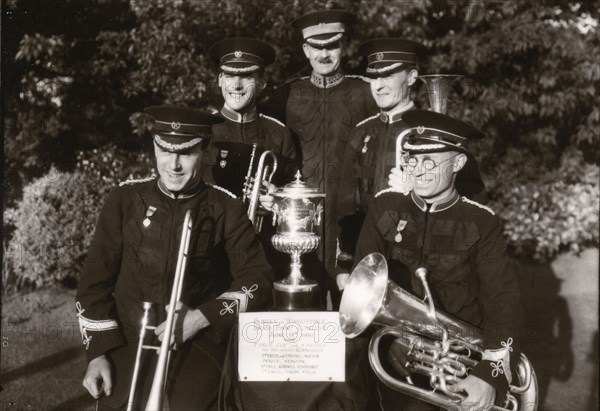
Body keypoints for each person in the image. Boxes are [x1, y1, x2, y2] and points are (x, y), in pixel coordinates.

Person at [76, 106, 273, 410]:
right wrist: (98, 354)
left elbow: (257, 281)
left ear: (204, 152)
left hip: (197, 339)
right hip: (129, 338)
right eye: (165, 150)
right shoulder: (124, 200)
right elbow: (93, 283)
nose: (174, 165)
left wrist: (203, 316)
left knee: (197, 404)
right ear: (154, 147)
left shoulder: (227, 207)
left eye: (187, 153)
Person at [346, 109, 524, 411]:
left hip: (461, 368)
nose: (418, 170)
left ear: (458, 162)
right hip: (392, 362)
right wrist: (389, 341)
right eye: (412, 160)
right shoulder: (384, 207)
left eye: (430, 161)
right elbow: (360, 290)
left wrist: (488, 375)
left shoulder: (481, 221)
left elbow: (503, 302)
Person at [268, 9, 378, 308]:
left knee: (353, 311)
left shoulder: (366, 92)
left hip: (352, 220)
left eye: (331, 46)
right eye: (316, 47)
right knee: (299, 304)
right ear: (305, 49)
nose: (324, 54)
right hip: (299, 222)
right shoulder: (287, 94)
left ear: (343, 46)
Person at [336, 38, 424, 278]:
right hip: (367, 257)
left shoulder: (433, 132)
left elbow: (465, 198)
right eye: (374, 77)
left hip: (417, 257)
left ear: (412, 76)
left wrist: (419, 191)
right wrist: (345, 265)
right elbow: (347, 207)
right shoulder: (361, 132)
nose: (378, 86)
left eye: (388, 76)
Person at [205, 37, 298, 201]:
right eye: (229, 76)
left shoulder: (280, 134)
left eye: (246, 76)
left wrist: (277, 198)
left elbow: (292, 194)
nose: (236, 85)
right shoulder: (203, 130)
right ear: (220, 80)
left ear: (262, 82)